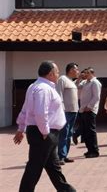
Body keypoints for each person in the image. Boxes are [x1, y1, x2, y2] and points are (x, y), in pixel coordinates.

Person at [14, 60, 76, 192]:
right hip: (44, 133)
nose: (58, 74)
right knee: (34, 168)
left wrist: (21, 129)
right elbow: (40, 113)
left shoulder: (34, 86)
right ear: (51, 73)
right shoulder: (44, 89)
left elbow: (25, 109)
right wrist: (45, 132)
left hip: (44, 133)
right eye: (57, 72)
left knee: (54, 168)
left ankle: (67, 190)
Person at [56, 62, 79, 165]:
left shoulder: (72, 81)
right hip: (66, 112)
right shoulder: (62, 79)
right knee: (63, 134)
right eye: (76, 70)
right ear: (70, 70)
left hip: (74, 111)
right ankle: (60, 156)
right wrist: (61, 109)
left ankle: (65, 155)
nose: (78, 71)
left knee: (69, 134)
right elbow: (58, 94)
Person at [76, 67, 102, 158]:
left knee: (91, 131)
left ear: (92, 73)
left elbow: (96, 97)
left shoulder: (95, 82)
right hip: (83, 109)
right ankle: (89, 150)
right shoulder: (84, 82)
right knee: (85, 131)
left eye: (87, 73)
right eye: (84, 73)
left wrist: (89, 106)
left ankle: (94, 151)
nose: (85, 74)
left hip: (90, 110)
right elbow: (76, 86)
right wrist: (79, 78)